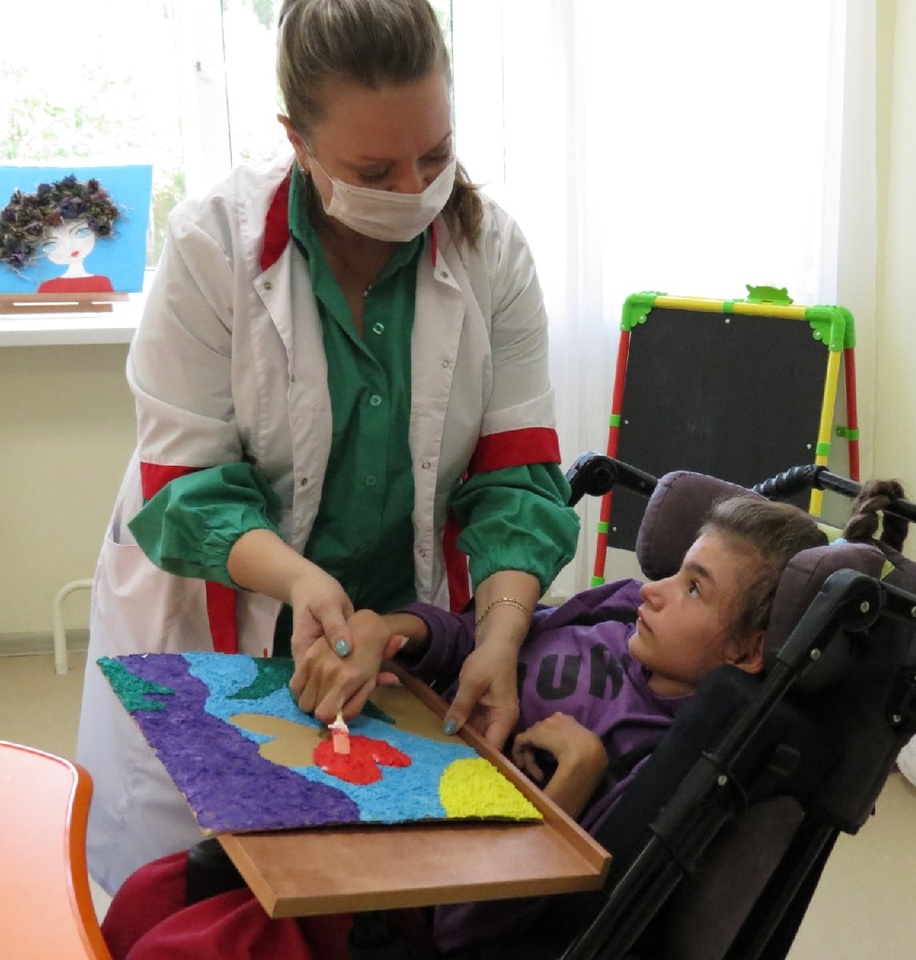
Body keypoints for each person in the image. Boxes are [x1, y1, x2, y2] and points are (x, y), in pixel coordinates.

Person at [78, 0, 579, 895]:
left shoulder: (492, 254)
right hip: (219, 613)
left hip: (393, 633)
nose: (413, 188)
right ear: (296, 140)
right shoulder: (210, 247)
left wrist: (500, 636)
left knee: (377, 890)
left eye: (435, 155)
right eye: (373, 169)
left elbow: (517, 478)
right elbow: (187, 486)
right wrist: (303, 581)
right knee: (195, 895)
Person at [99, 494, 832, 960]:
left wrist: (573, 784)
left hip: (410, 897)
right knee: (150, 895)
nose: (654, 590)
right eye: (675, 570)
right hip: (370, 795)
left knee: (187, 947)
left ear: (749, 651)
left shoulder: (657, 747)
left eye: (694, 588)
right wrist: (398, 629)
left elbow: (476, 926)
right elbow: (476, 639)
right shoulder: (612, 614)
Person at [0, 174, 120, 292]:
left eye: (81, 232)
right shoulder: (47, 287)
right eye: (51, 245)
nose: (70, 246)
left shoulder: (102, 282)